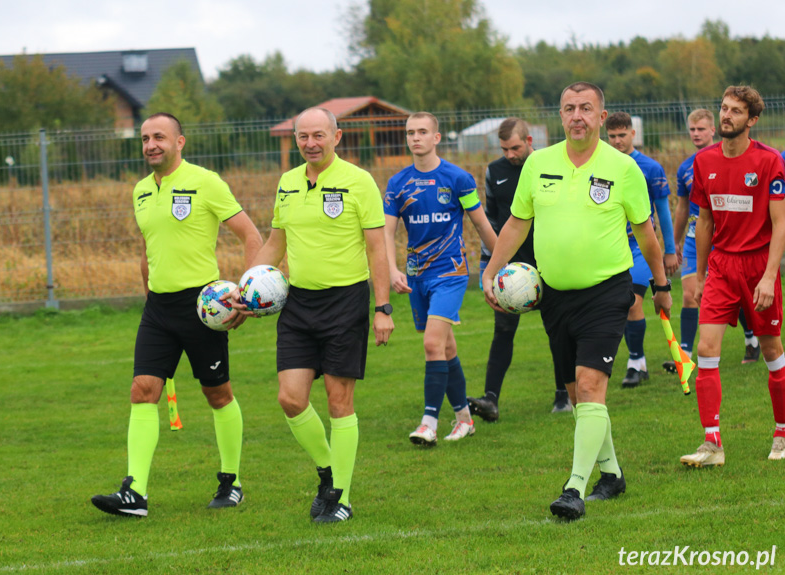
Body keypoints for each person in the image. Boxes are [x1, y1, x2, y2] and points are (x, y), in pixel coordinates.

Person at [482, 82, 672, 520]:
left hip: (607, 292)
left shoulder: (624, 169)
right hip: (553, 297)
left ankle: (573, 489)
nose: (577, 116)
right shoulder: (539, 164)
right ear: (560, 116)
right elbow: (515, 224)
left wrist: (661, 286)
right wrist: (492, 270)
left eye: (586, 108)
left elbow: (647, 234)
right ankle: (612, 475)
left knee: (589, 387)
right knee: (578, 393)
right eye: (569, 108)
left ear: (602, 117)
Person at [91, 112, 263, 517]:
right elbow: (150, 246)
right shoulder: (140, 191)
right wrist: (147, 287)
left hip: (202, 308)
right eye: (146, 138)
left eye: (160, 137)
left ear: (180, 142)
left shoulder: (206, 182)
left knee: (216, 393)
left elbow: (251, 235)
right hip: (158, 310)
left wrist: (246, 293)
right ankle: (134, 493)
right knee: (141, 390)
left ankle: (231, 481)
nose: (151, 144)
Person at [239, 107, 394, 523]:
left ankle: (340, 496)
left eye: (318, 135)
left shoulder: (359, 182)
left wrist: (382, 308)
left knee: (339, 402)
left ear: (337, 137)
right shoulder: (288, 182)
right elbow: (276, 243)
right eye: (303, 136)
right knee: (290, 398)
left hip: (345, 302)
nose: (310, 143)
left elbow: (378, 248)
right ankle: (328, 473)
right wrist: (246, 286)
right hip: (297, 303)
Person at [680, 86, 785, 467]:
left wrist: (769, 276)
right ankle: (712, 445)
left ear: (751, 120)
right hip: (722, 266)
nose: (726, 116)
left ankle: (782, 432)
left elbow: (780, 222)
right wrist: (704, 271)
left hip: (759, 265)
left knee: (772, 351)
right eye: (723, 108)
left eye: (736, 111)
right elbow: (704, 219)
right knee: (707, 349)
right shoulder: (703, 161)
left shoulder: (770, 161)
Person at [383, 112, 497, 445]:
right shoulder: (397, 184)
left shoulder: (458, 178)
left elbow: (482, 226)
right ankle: (464, 419)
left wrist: (502, 265)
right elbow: (386, 234)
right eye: (410, 133)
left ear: (436, 137)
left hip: (450, 273)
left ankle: (428, 422)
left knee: (432, 344)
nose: (415, 137)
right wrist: (392, 270)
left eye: (422, 132)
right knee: (445, 347)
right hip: (417, 275)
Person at [467, 118, 571, 421]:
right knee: (502, 331)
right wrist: (490, 266)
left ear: (528, 140)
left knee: (557, 333)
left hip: (550, 266)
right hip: (511, 272)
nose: (510, 154)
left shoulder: (548, 166)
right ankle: (490, 400)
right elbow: (492, 221)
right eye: (504, 149)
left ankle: (563, 395)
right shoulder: (494, 172)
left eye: (515, 147)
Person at [664, 109, 760, 375]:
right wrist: (673, 244)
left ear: (713, 131)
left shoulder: (727, 158)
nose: (696, 134)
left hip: (725, 239)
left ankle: (752, 337)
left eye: (701, 129)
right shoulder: (686, 167)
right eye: (692, 130)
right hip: (696, 240)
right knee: (690, 295)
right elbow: (683, 208)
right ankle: (684, 353)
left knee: (738, 297)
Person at [604, 112, 678, 388]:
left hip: (640, 248)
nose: (617, 141)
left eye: (622, 135)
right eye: (612, 136)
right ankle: (639, 362)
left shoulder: (650, 167)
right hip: (611, 248)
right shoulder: (601, 166)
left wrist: (669, 250)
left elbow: (663, 212)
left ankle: (636, 363)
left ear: (633, 134)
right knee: (620, 305)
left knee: (632, 301)